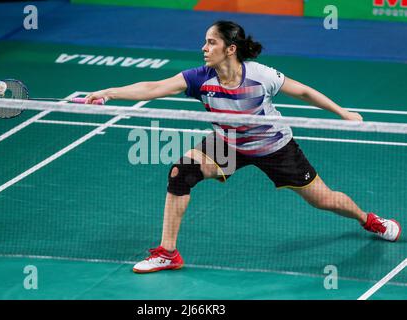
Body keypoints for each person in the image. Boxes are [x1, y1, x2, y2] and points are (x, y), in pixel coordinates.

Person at [86, 20, 401, 273]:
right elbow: (153, 88)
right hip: (228, 144)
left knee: (325, 200)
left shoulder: (261, 76)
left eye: (212, 42)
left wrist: (343, 113)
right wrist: (108, 92)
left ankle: (368, 219)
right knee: (181, 172)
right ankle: (168, 253)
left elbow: (303, 91)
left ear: (230, 48)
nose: (204, 47)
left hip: (274, 147)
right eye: (205, 41)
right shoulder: (199, 79)